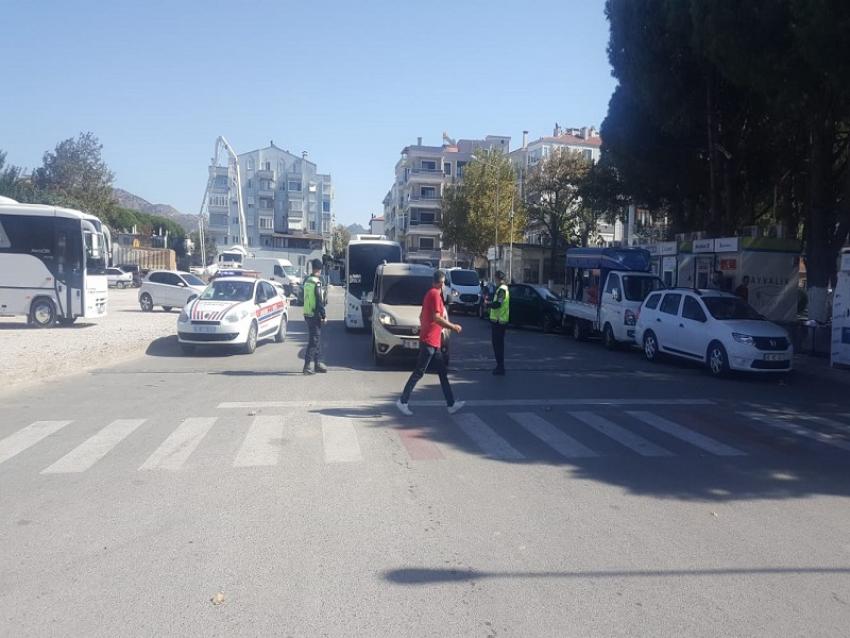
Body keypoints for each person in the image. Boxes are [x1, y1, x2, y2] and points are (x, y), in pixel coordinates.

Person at [396, 269, 465, 416]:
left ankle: (451, 404)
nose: (445, 285)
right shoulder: (434, 294)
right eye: (444, 282)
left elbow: (422, 316)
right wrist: (453, 327)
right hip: (429, 342)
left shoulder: (432, 294)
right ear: (441, 282)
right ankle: (403, 401)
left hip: (433, 341)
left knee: (442, 373)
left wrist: (430, 328)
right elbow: (437, 318)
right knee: (419, 372)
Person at [302, 259, 327, 375]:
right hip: (314, 314)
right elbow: (319, 300)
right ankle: (307, 366)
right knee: (314, 340)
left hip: (307, 313)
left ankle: (317, 364)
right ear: (319, 269)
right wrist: (324, 315)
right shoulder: (316, 282)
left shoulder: (307, 281)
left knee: (316, 339)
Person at [488, 270, 510, 376]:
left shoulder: (502, 290)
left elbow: (498, 304)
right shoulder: (502, 289)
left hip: (499, 322)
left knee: (498, 345)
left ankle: (500, 367)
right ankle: (499, 366)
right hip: (499, 321)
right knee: (497, 345)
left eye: (495, 278)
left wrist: (488, 304)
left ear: (497, 278)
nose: (494, 280)